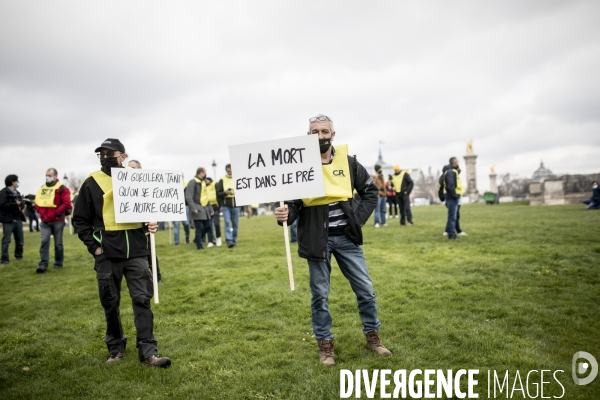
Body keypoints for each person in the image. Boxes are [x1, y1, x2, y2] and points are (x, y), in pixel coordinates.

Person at [274, 114, 392, 367]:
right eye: (315, 132)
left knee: (366, 291)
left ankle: (373, 338)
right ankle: (325, 346)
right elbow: (293, 205)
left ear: (332, 135)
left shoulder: (348, 163)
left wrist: (356, 220)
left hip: (347, 238)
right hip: (317, 240)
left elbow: (370, 192)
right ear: (308, 136)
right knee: (320, 295)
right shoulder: (298, 168)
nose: (320, 136)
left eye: (324, 131)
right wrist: (285, 215)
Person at [72, 138, 171, 368]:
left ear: (123, 157)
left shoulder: (137, 179)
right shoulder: (91, 183)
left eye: (110, 153)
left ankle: (148, 352)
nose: (105, 157)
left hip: (136, 252)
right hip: (107, 255)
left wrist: (151, 224)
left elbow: (148, 210)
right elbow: (80, 220)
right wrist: (95, 248)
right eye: (102, 153)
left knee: (142, 301)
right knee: (110, 302)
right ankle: (116, 350)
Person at [34, 168, 72, 273]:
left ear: (55, 176)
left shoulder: (62, 188)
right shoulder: (42, 188)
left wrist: (56, 213)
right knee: (44, 241)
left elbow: (67, 203)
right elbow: (37, 203)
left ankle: (58, 263)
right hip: (45, 221)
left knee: (58, 244)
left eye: (50, 175)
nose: (47, 177)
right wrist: (41, 212)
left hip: (58, 220)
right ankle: (43, 264)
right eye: (46, 175)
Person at [185, 168, 214, 250]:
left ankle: (197, 239)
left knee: (208, 226)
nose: (205, 175)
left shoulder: (203, 183)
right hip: (197, 208)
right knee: (200, 227)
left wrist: (211, 209)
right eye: (205, 173)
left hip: (205, 208)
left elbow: (206, 197)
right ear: (201, 173)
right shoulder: (192, 182)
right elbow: (188, 196)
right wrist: (193, 208)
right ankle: (199, 245)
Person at [0, 175, 25, 265]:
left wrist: (21, 204)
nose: (18, 182)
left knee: (20, 240)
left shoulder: (17, 193)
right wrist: (14, 203)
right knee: (6, 240)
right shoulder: (3, 192)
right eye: (16, 181)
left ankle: (19, 256)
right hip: (8, 220)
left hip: (17, 218)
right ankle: (4, 259)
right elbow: (2, 205)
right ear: (12, 182)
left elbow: (18, 206)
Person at [216, 164, 239, 248]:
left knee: (235, 224)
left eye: (231, 170)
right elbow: (218, 193)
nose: (230, 171)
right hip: (226, 205)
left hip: (236, 204)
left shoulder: (237, 178)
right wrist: (226, 193)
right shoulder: (222, 180)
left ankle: (234, 239)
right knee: (227, 222)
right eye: (228, 170)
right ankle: (229, 240)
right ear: (226, 170)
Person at [443, 157, 464, 240]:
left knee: (453, 216)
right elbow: (450, 186)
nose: (458, 163)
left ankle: (450, 232)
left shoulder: (452, 171)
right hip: (452, 197)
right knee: (452, 216)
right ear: (455, 163)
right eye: (457, 161)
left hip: (452, 196)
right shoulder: (451, 172)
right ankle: (451, 235)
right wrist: (455, 195)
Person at [204, 177, 222, 246]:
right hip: (207, 207)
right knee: (209, 225)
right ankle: (211, 241)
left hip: (215, 206)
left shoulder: (215, 184)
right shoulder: (203, 186)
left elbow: (218, 195)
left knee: (216, 223)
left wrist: (220, 205)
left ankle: (218, 238)